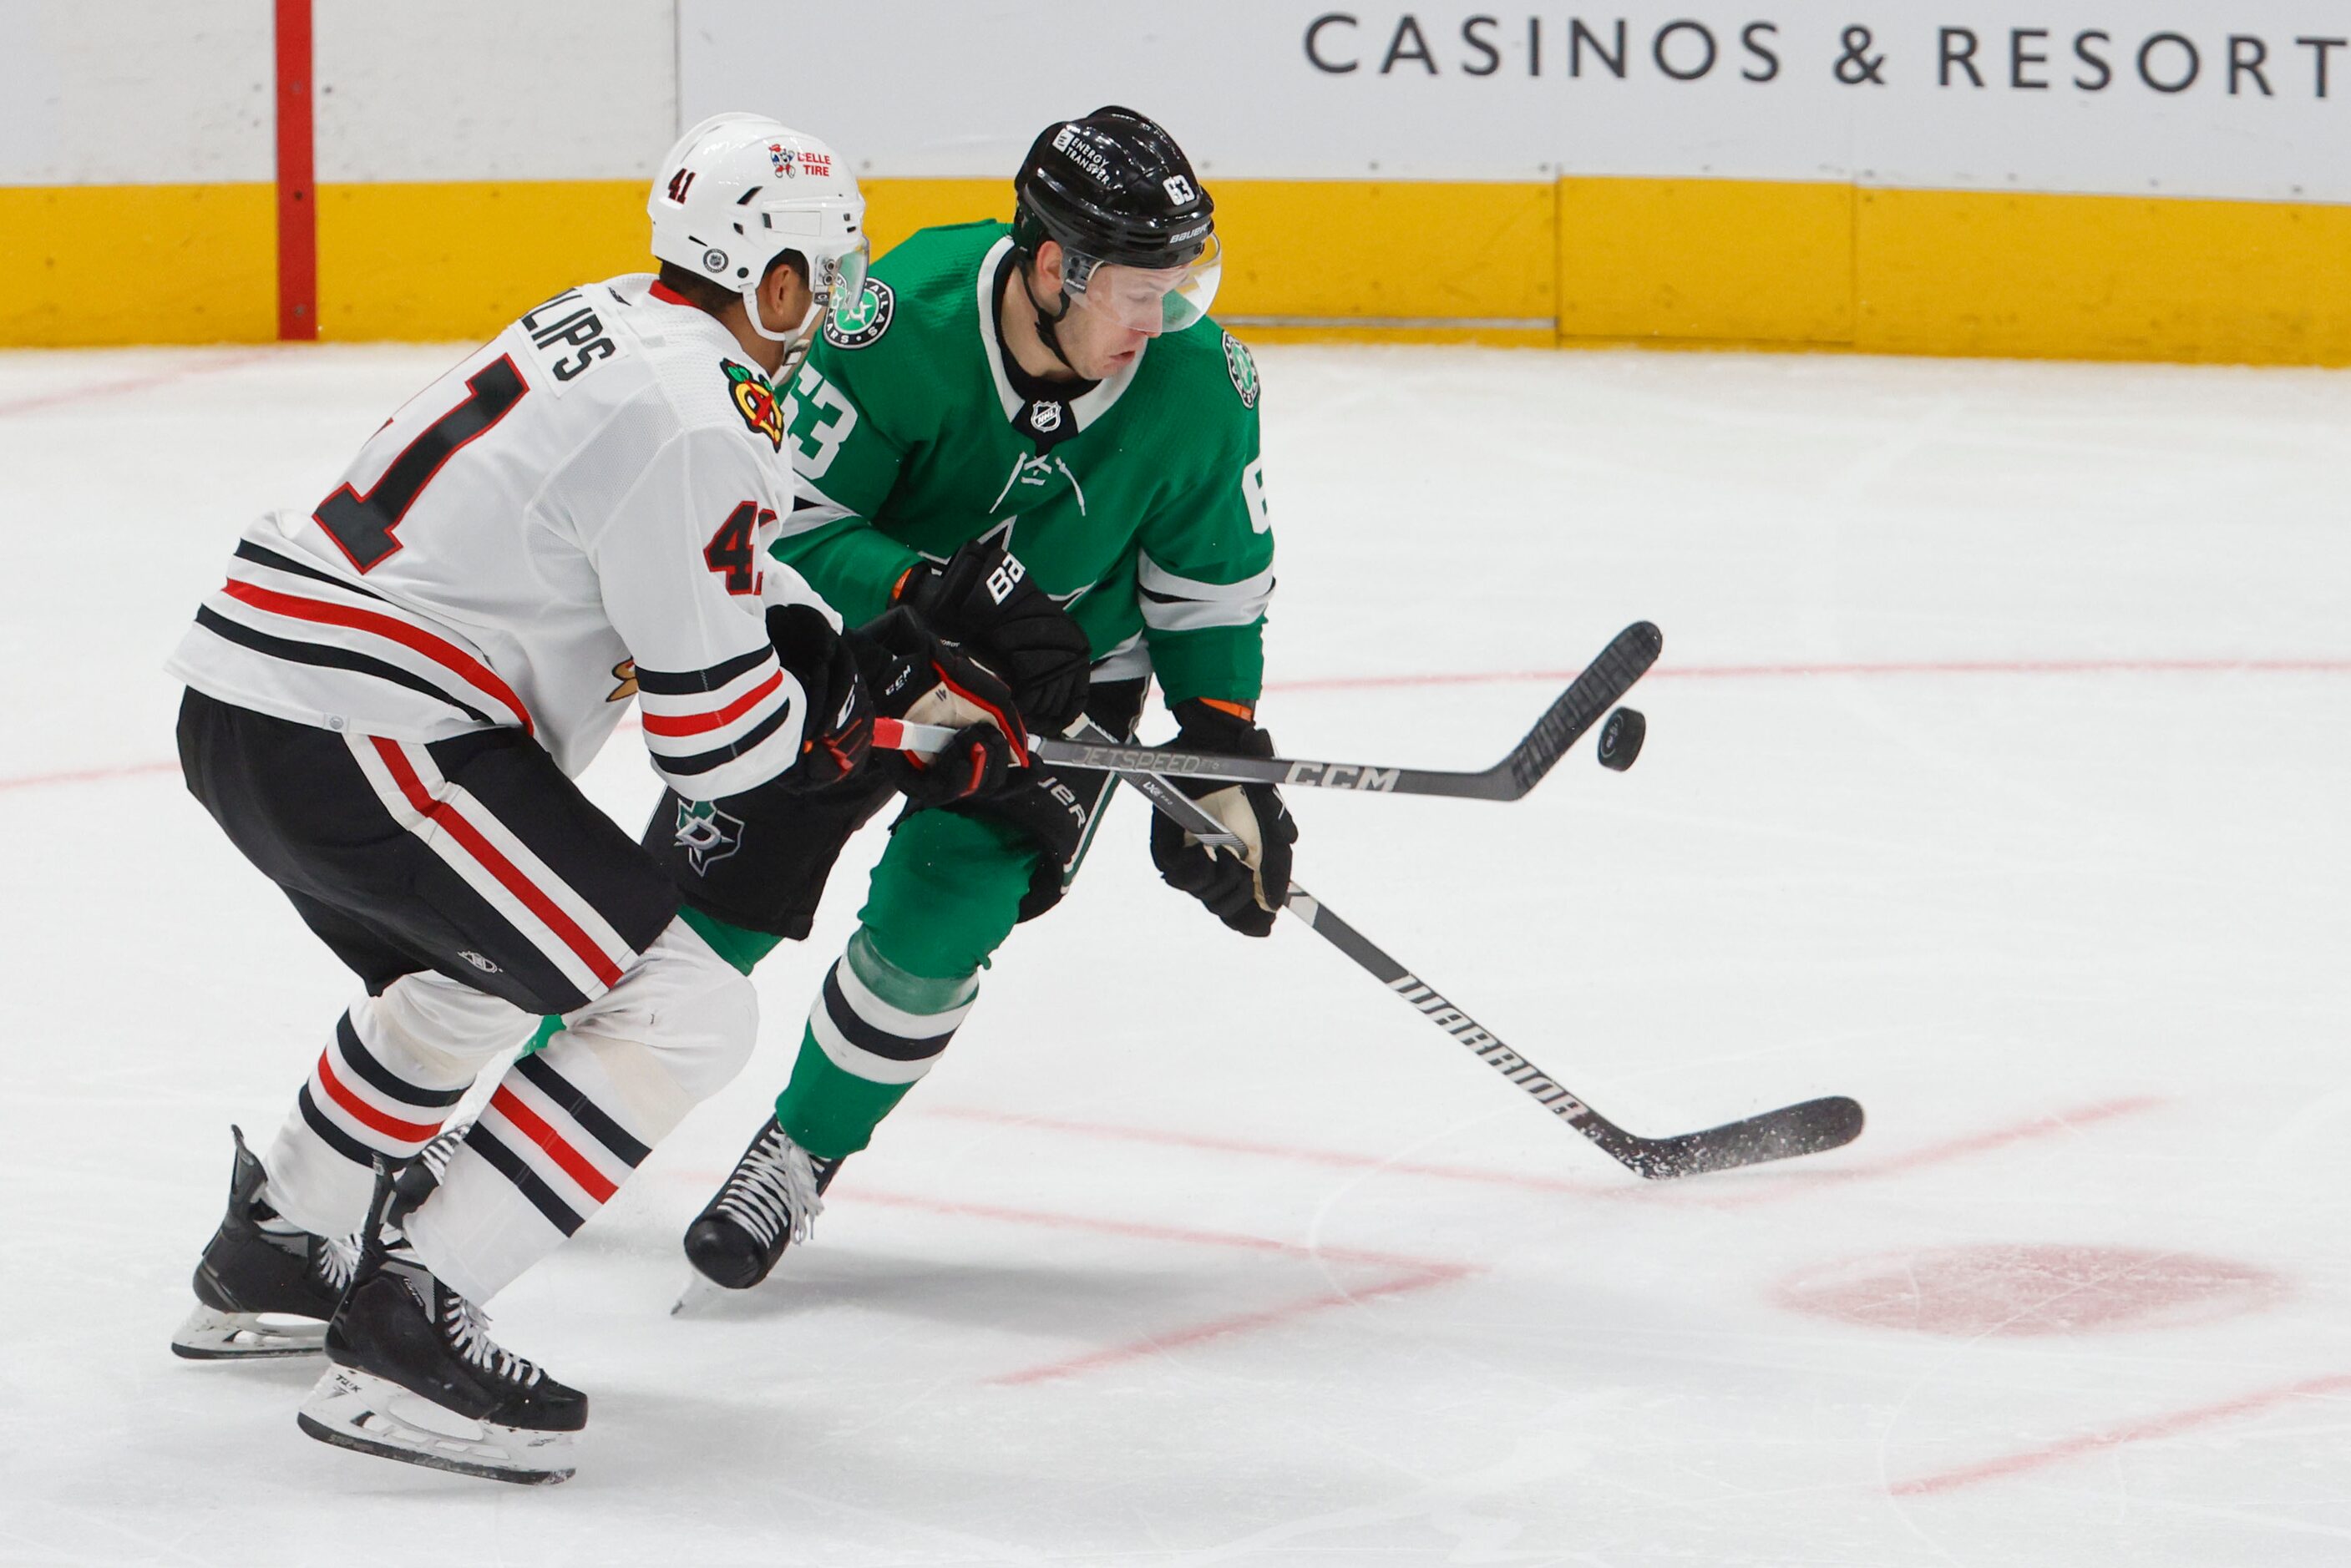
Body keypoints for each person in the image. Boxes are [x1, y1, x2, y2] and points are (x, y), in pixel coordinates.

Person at [163, 111, 1019, 1483]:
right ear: (772, 282)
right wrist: (890, 734)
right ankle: (406, 1320)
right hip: (370, 727)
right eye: (831, 275)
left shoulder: (626, 323)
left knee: (486, 974)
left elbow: (714, 576)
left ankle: (281, 1239)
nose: (847, 307)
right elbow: (721, 752)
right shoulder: (701, 413)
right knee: (683, 1002)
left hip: (272, 699)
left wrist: (868, 653)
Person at [636, 106, 1300, 1295]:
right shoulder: (899, 317)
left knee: (941, 922)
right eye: (1140, 291)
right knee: (702, 909)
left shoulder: (1202, 381)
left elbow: (1209, 596)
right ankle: (504, 1125)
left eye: (1181, 286)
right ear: (1055, 266)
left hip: (1059, 688)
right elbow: (788, 518)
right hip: (858, 646)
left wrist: (1217, 757)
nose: (1164, 322)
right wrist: (923, 592)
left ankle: (800, 1150)